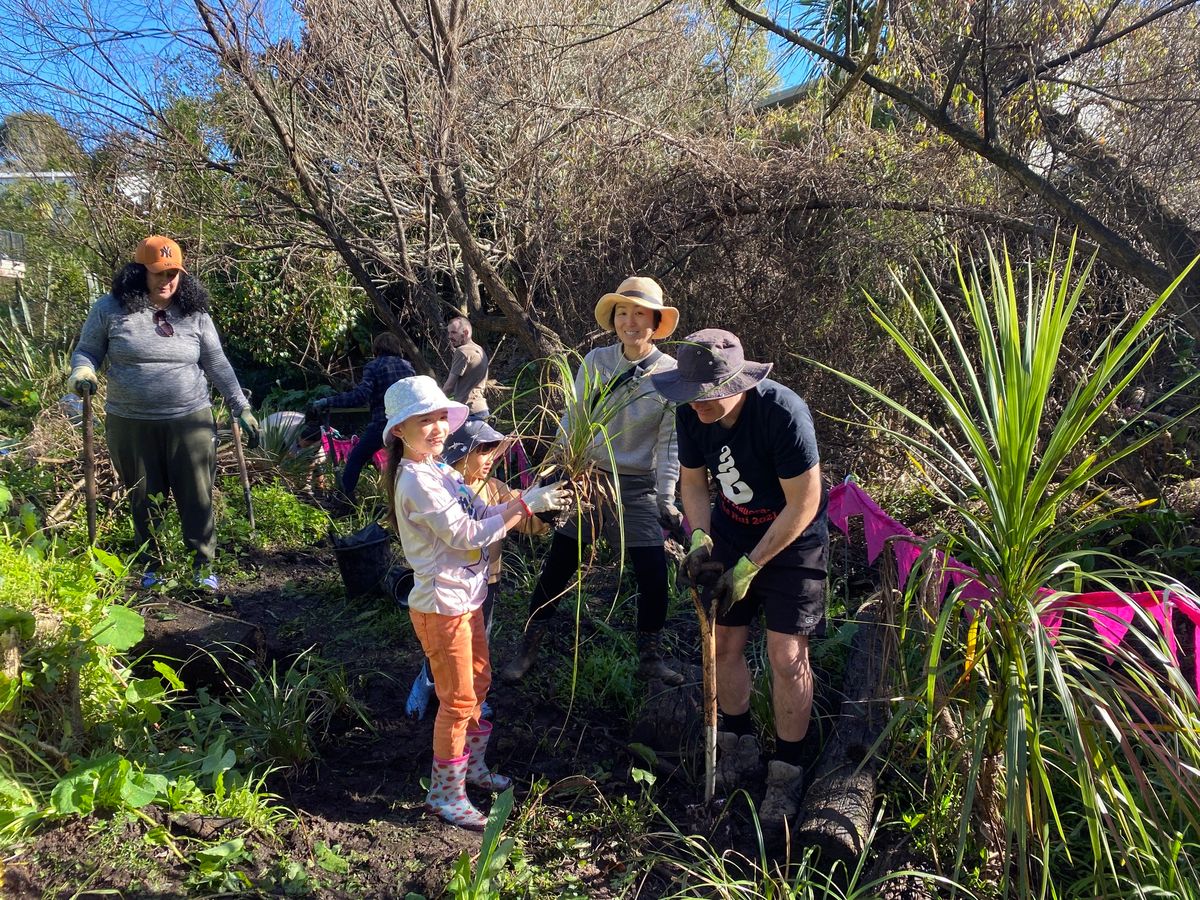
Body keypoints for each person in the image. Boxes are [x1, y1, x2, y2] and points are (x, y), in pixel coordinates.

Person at [650, 328, 829, 835]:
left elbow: (804, 503)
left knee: (785, 654)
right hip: (731, 529)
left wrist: (751, 567)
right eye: (691, 395)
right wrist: (701, 540)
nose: (699, 405)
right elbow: (693, 483)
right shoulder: (691, 413)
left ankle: (787, 770)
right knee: (724, 640)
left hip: (793, 539)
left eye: (709, 395)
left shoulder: (782, 414)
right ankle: (738, 744)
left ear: (739, 382)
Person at [383, 375, 568, 830]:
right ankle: (445, 794)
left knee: (480, 685)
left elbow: (479, 511)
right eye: (422, 421)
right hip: (440, 605)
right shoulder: (415, 482)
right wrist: (524, 509)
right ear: (399, 431)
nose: (436, 428)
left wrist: (524, 499)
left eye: (439, 418)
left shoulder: (440, 469)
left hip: (468, 598)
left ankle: (474, 767)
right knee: (457, 699)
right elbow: (466, 534)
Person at [501, 275, 685, 686]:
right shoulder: (597, 362)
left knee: (654, 572)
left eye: (640, 314)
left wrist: (667, 499)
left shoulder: (671, 375)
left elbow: (669, 445)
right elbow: (573, 419)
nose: (630, 321)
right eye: (623, 312)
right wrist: (551, 470)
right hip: (589, 478)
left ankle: (650, 656)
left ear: (655, 322)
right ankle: (528, 645)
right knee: (559, 565)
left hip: (636, 486)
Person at [67, 236, 260, 591]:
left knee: (197, 494)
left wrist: (241, 406)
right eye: (158, 273)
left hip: (191, 419)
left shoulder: (195, 315)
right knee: (142, 496)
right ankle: (152, 565)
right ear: (138, 272)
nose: (167, 281)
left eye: (173, 273)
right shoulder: (109, 309)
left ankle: (203, 567)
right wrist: (83, 372)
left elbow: (216, 363)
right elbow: (87, 351)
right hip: (130, 422)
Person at [405, 418, 550, 719]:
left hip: (486, 580)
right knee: (444, 647)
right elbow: (466, 533)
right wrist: (525, 506)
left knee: (477, 638)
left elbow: (525, 520)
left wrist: (547, 509)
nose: (489, 459)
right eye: (482, 451)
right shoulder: (440, 488)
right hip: (447, 589)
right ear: (461, 454)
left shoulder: (495, 488)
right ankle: (428, 681)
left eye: (492, 451)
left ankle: (469, 695)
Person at [309, 332, 415, 500]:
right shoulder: (407, 366)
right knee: (405, 464)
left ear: (377, 349)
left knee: (356, 459)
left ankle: (345, 500)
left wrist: (328, 401)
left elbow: (360, 396)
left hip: (383, 424)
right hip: (407, 425)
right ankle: (405, 502)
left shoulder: (374, 366)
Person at [262, 410, 327, 494]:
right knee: (273, 463)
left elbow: (314, 461)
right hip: (269, 428)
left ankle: (318, 489)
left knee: (317, 460)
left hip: (293, 427)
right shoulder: (286, 434)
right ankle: (270, 484)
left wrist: (310, 484)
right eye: (306, 444)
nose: (307, 446)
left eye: (309, 445)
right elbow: (284, 459)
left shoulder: (320, 436)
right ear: (299, 437)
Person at [442, 317, 490, 420]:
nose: (450, 337)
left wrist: (435, 404)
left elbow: (449, 386)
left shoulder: (462, 351)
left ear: (466, 332)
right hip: (482, 410)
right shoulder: (480, 350)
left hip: (468, 411)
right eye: (449, 333)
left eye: (454, 333)